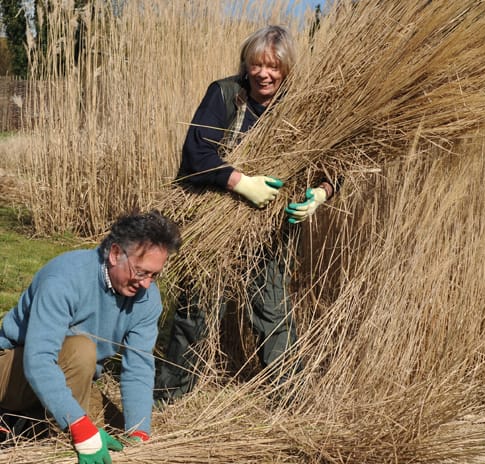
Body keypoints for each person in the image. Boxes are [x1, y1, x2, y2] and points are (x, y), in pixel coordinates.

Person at [155, 25, 337, 402]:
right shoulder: (224, 94)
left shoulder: (301, 106)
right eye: (256, 64)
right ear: (246, 64)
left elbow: (334, 163)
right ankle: (169, 397)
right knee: (196, 309)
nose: (263, 74)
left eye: (273, 66)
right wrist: (242, 183)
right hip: (215, 220)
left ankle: (290, 399)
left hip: (270, 228)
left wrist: (320, 193)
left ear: (287, 69)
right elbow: (197, 154)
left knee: (272, 310)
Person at [0, 210, 181, 463]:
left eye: (154, 275)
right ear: (115, 253)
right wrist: (79, 427)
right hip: (11, 368)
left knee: (117, 434)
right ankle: (19, 423)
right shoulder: (64, 278)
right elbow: (39, 359)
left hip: (71, 372)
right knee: (82, 352)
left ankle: (31, 423)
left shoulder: (147, 299)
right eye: (141, 272)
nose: (147, 285)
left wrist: (139, 432)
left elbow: (138, 367)